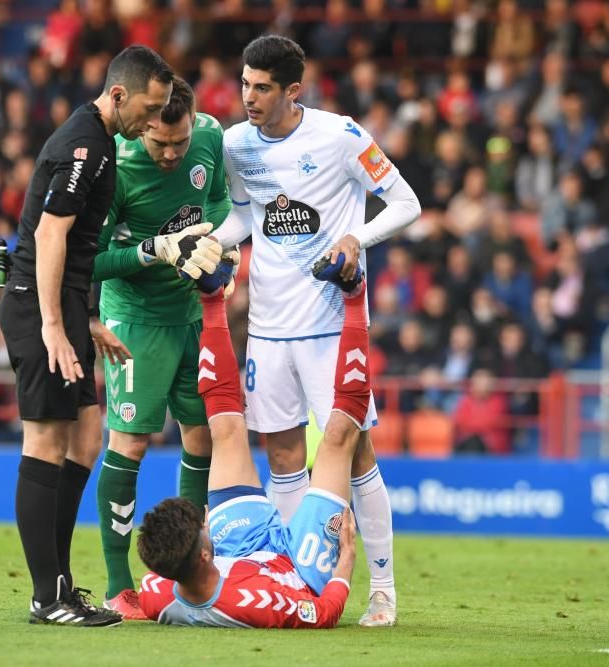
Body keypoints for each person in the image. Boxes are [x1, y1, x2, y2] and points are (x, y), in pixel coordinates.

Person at [0, 45, 219, 627]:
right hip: (37, 307)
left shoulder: (97, 141)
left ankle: (63, 584)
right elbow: (49, 238)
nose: (152, 122)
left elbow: (73, 253)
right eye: (148, 110)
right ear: (118, 95)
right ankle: (47, 597)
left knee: (87, 438)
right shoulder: (88, 147)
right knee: (45, 443)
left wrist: (83, 320)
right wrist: (53, 325)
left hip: (66, 307)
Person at [212, 35, 422, 626]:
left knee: (354, 453)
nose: (248, 97)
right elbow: (245, 217)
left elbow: (407, 203)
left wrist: (358, 238)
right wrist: (211, 241)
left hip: (332, 324)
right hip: (269, 327)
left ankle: (382, 589)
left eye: (261, 88)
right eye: (244, 84)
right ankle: (297, 579)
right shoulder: (236, 144)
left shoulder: (341, 137)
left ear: (292, 91)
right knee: (282, 455)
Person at [136, 268, 369, 628]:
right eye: (202, 528)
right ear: (201, 554)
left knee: (225, 430)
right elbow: (323, 615)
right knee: (338, 438)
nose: (205, 521)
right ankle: (355, 298)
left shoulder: (156, 590)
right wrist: (345, 565)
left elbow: (156, 588)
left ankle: (211, 299)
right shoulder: (257, 604)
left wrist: (209, 543)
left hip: (235, 550)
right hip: (297, 568)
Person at [90, 75, 233, 619]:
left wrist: (221, 245)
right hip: (136, 320)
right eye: (159, 143)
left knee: (203, 436)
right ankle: (118, 580)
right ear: (140, 125)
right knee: (130, 442)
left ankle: (185, 569)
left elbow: (217, 200)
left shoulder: (211, 136)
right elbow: (93, 262)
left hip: (194, 310)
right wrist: (154, 250)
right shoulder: (118, 163)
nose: (171, 154)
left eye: (179, 141)